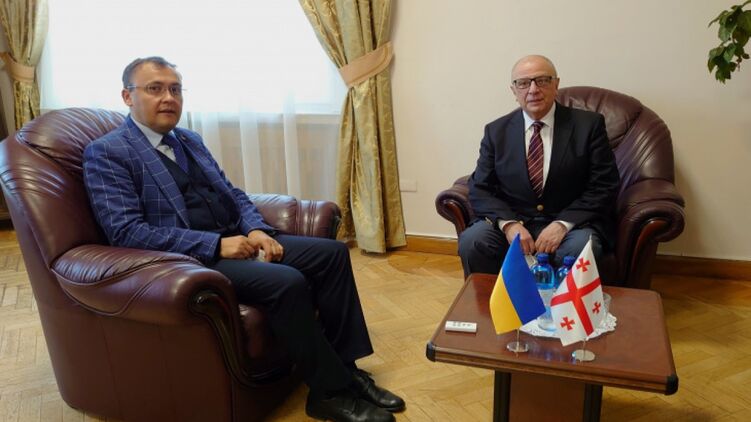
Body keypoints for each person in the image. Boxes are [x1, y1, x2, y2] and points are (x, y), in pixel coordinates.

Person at [83, 56, 404, 422]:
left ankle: (347, 370)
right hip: (191, 260)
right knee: (287, 281)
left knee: (332, 254)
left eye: (175, 89)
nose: (168, 98)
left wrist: (255, 229)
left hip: (237, 238)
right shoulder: (108, 152)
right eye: (155, 89)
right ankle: (328, 393)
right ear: (127, 96)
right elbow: (127, 231)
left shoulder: (189, 139)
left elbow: (233, 193)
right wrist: (215, 245)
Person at [458, 54, 620, 277]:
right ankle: (491, 300)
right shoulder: (496, 131)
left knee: (579, 248)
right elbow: (480, 188)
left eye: (542, 80)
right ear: (514, 91)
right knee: (473, 240)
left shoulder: (588, 126)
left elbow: (604, 185)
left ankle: (562, 302)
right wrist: (509, 224)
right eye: (523, 83)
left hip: (572, 223)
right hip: (515, 218)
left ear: (556, 84)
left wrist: (562, 224)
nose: (533, 90)